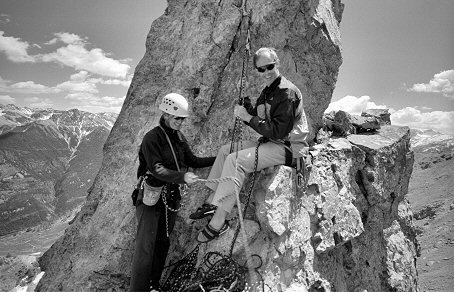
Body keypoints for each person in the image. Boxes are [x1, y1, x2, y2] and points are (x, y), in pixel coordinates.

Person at [191, 47, 310, 243]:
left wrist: (247, 117)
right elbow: (261, 120)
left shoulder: (286, 92)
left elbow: (279, 131)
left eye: (270, 67)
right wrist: (247, 110)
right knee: (225, 151)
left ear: (277, 63)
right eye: (261, 69)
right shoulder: (268, 91)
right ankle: (215, 201)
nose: (266, 72)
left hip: (289, 148)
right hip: (272, 142)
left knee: (235, 161)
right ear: (256, 70)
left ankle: (219, 221)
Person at [129, 93, 216, 291]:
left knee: (163, 242)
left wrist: (219, 157)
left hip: (170, 197)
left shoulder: (178, 137)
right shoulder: (152, 138)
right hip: (151, 195)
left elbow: (193, 161)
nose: (181, 122)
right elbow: (156, 168)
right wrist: (182, 177)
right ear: (166, 114)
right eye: (178, 118)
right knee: (145, 246)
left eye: (183, 119)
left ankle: (153, 285)